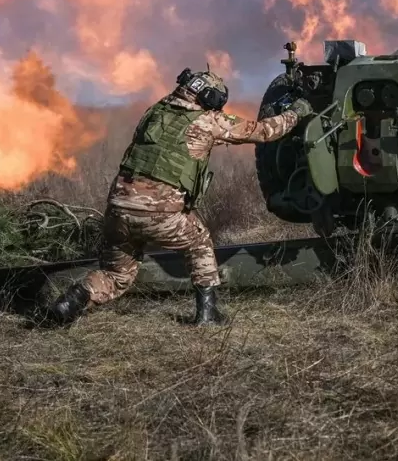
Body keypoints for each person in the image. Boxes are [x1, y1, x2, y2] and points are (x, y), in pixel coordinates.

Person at [47, 67, 314, 326]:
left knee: (116, 275)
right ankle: (207, 314)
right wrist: (297, 111)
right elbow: (265, 131)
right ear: (211, 98)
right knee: (199, 241)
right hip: (159, 214)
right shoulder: (208, 121)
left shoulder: (155, 112)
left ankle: (71, 301)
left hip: (118, 209)